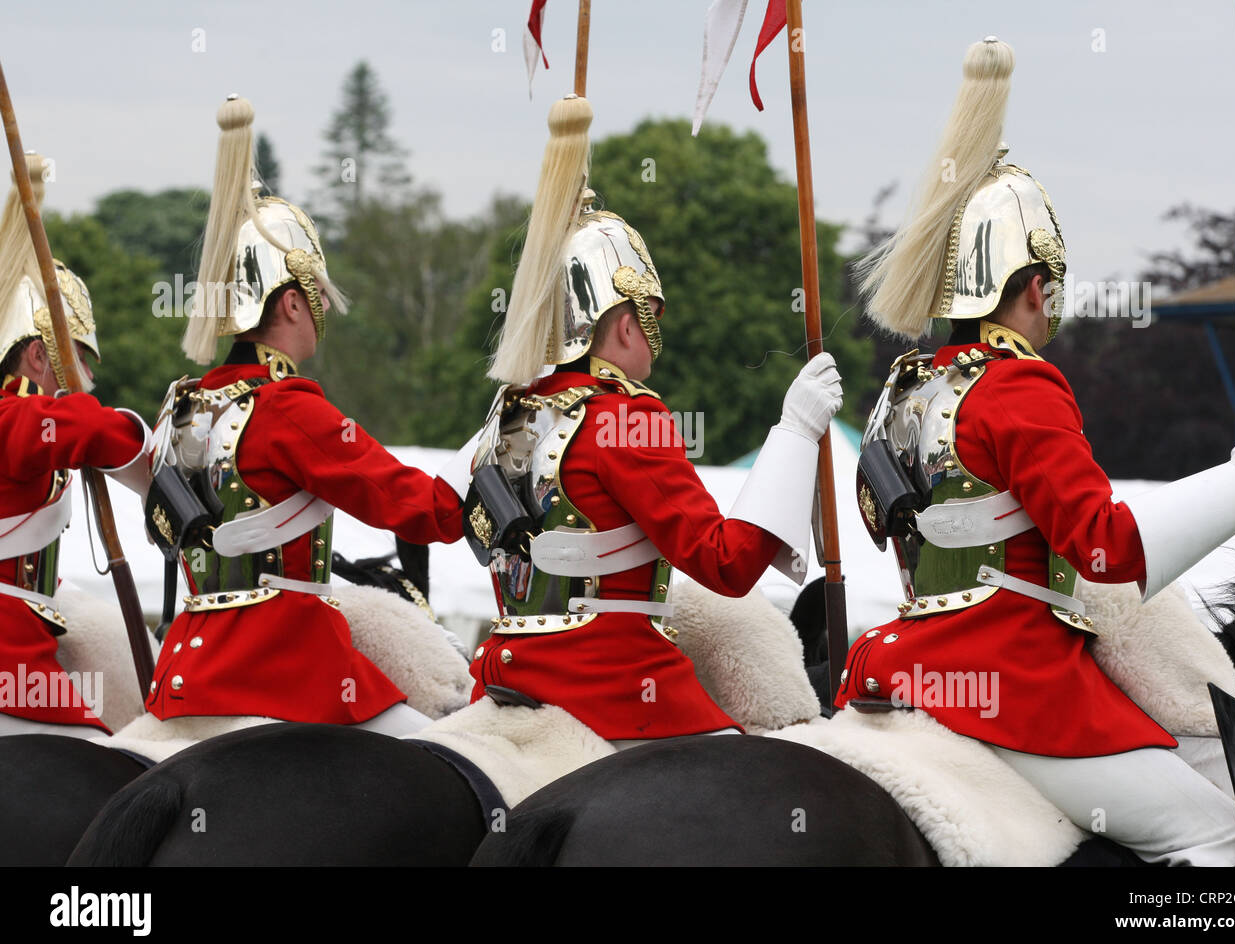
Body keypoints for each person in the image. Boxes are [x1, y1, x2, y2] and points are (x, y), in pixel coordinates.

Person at [840, 37, 1235, 865]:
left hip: (897, 659)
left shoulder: (908, 388)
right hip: (1010, 681)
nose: (1051, 307)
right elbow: (1109, 556)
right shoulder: (1020, 385)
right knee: (1217, 829)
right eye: (1047, 287)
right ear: (1027, 286)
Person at [465, 94, 841, 746]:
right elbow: (725, 566)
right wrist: (795, 431)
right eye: (649, 315)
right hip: (614, 694)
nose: (653, 334)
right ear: (622, 320)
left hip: (502, 679)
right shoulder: (626, 419)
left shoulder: (506, 416)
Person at [143, 96, 474, 735]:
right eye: (317, 292)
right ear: (291, 303)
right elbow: (419, 508)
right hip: (285, 666)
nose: (324, 305)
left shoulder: (185, 405)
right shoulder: (290, 409)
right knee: (439, 759)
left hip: (185, 670)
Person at [0, 153, 150, 738]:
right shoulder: (16, 416)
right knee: (111, 774)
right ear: (40, 356)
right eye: (80, 361)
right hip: (10, 661)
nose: (89, 380)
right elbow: (92, 429)